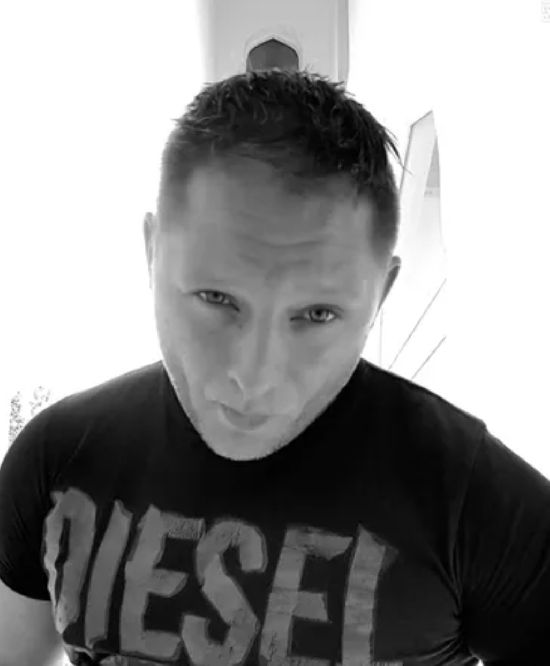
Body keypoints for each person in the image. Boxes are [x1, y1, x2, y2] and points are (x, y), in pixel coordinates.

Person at [0, 70, 549, 666]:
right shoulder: (57, 457)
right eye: (216, 298)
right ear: (152, 253)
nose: (254, 376)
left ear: (382, 294)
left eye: (317, 314)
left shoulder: (473, 500)